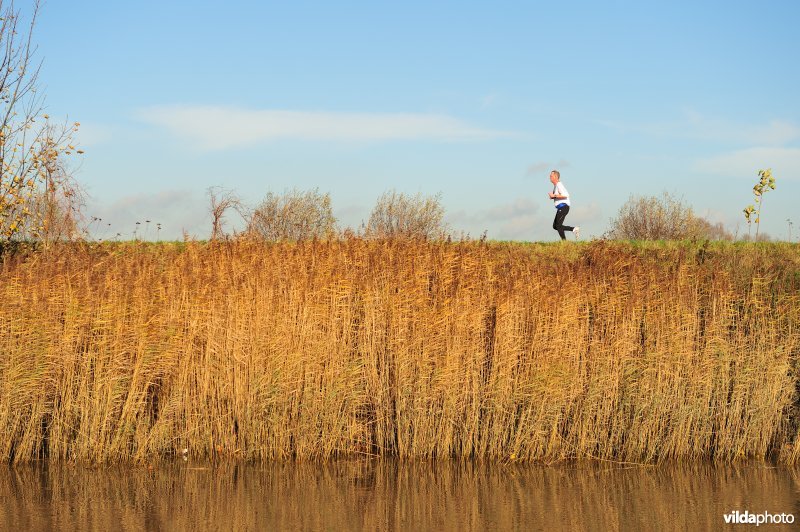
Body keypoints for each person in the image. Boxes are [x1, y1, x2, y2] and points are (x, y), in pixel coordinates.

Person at [548, 170, 580, 240]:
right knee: (555, 226)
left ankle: (565, 241)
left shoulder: (559, 185)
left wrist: (554, 196)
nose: (549, 177)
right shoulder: (556, 186)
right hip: (561, 208)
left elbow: (566, 195)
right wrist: (553, 197)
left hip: (564, 207)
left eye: (551, 176)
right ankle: (574, 229)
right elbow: (559, 196)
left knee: (558, 225)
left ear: (556, 177)